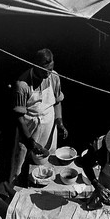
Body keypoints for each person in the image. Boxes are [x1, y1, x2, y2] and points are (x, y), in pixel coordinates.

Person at [9, 48, 68, 186]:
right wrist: (30, 142)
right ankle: (14, 189)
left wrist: (59, 122)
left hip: (49, 126)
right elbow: (19, 117)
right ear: (35, 65)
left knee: (46, 160)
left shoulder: (54, 77)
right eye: (44, 70)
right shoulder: (22, 85)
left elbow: (58, 102)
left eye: (51, 69)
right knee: (21, 162)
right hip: (28, 128)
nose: (48, 74)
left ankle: (43, 187)